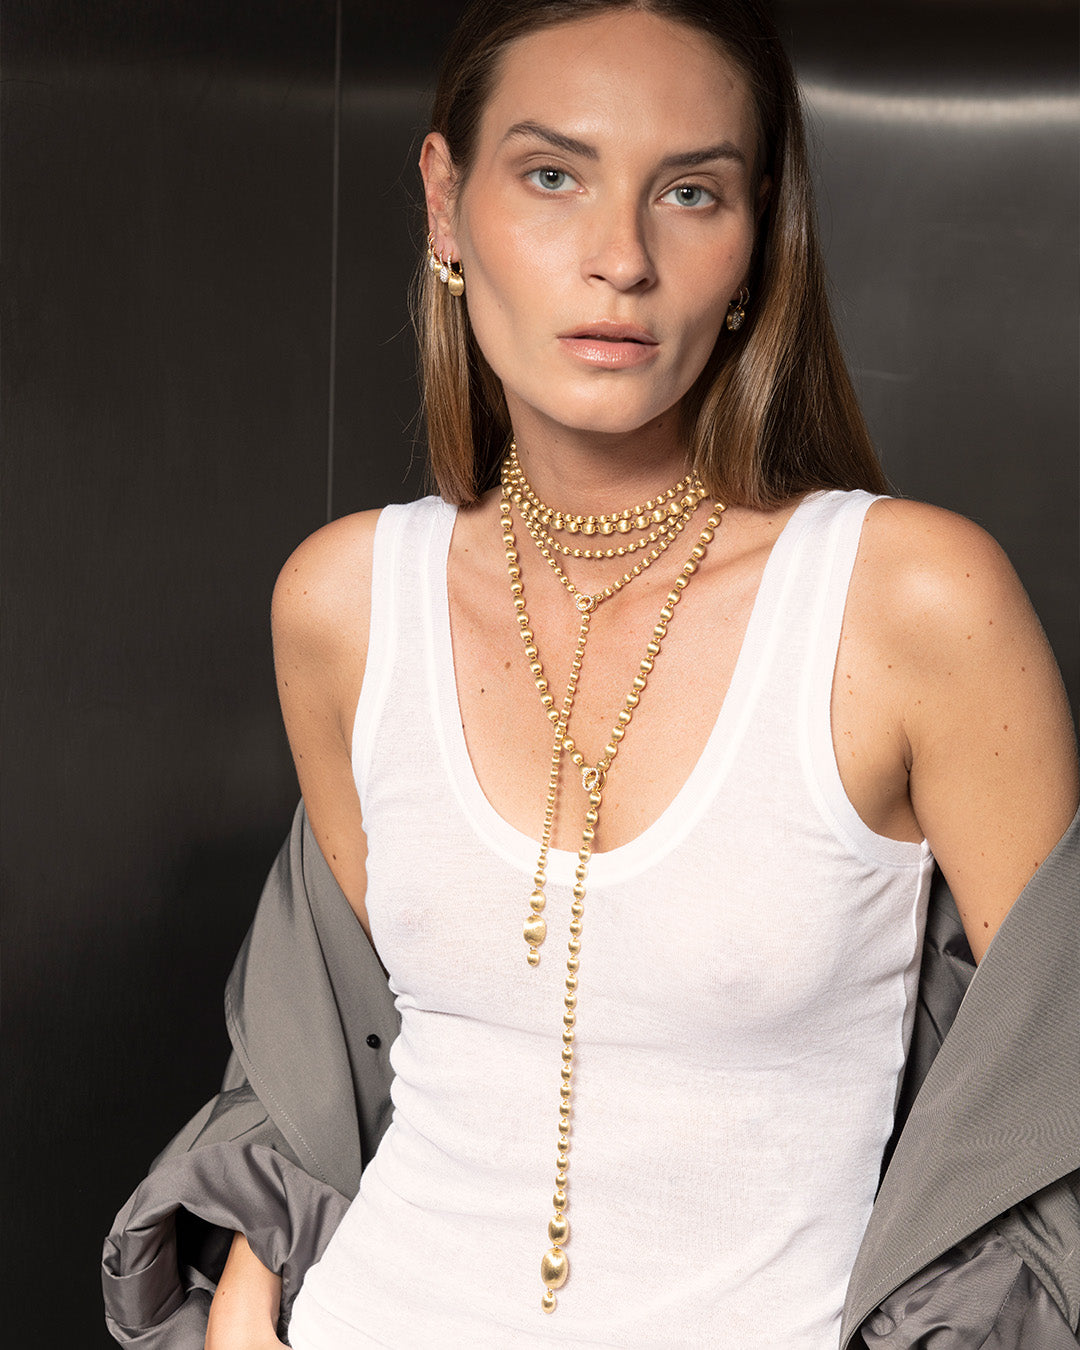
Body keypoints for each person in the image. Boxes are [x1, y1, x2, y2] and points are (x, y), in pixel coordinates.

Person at [103, 1, 1080, 1347]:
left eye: (691, 192)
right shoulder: (342, 600)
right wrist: (248, 1303)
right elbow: (328, 1043)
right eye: (553, 174)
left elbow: (1049, 1106)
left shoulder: (913, 599)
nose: (620, 257)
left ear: (757, 243)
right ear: (445, 202)